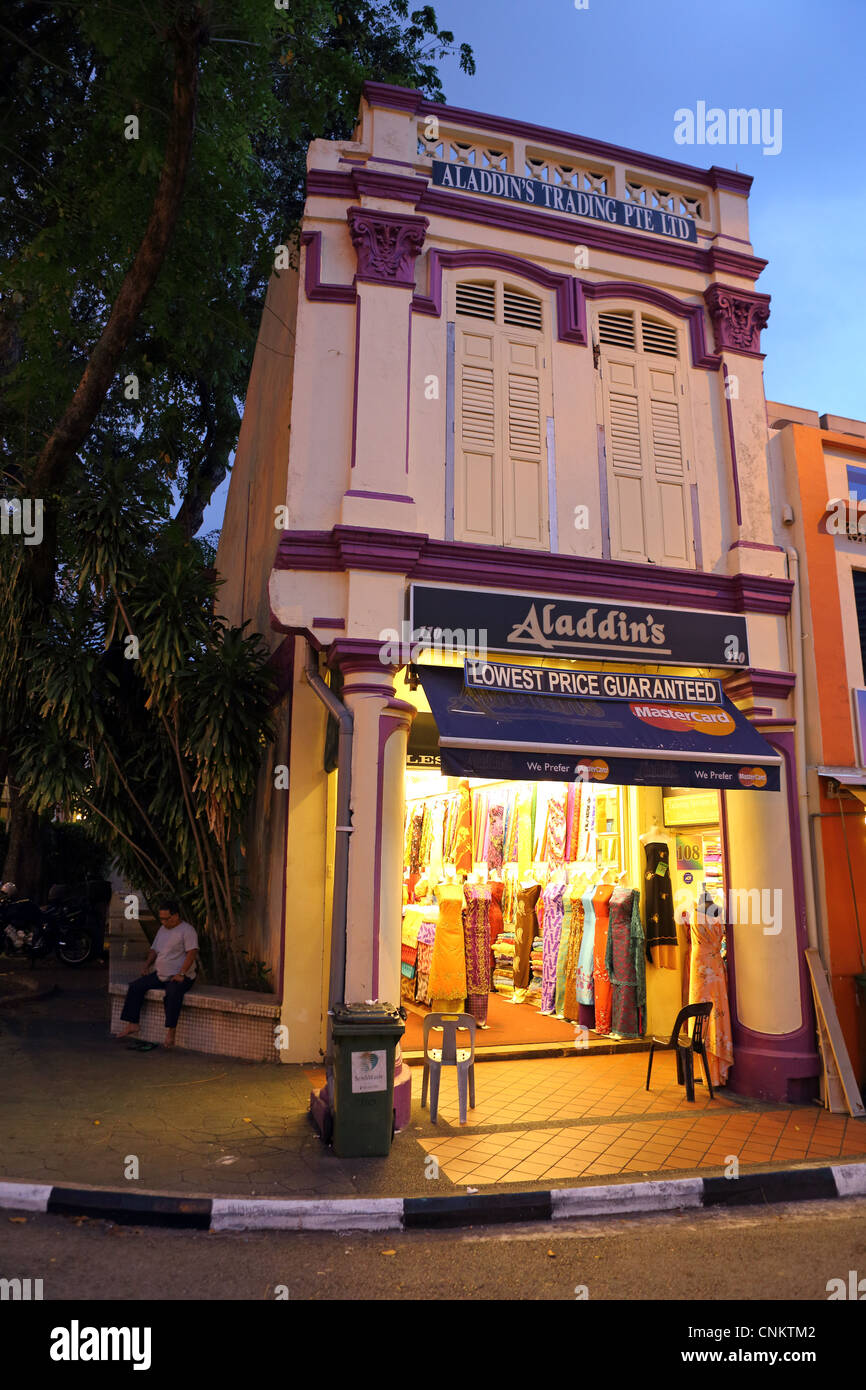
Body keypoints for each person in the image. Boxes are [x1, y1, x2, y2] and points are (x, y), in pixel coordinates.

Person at [116, 901, 198, 1049]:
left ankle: (171, 1032)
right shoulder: (162, 929)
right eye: (162, 919)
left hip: (180, 976)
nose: (164, 922)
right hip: (161, 974)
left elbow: (192, 953)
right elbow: (154, 949)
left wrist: (181, 973)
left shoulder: (187, 930)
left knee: (172, 994)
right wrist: (146, 965)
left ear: (176, 916)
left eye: (166, 918)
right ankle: (133, 1024)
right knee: (135, 986)